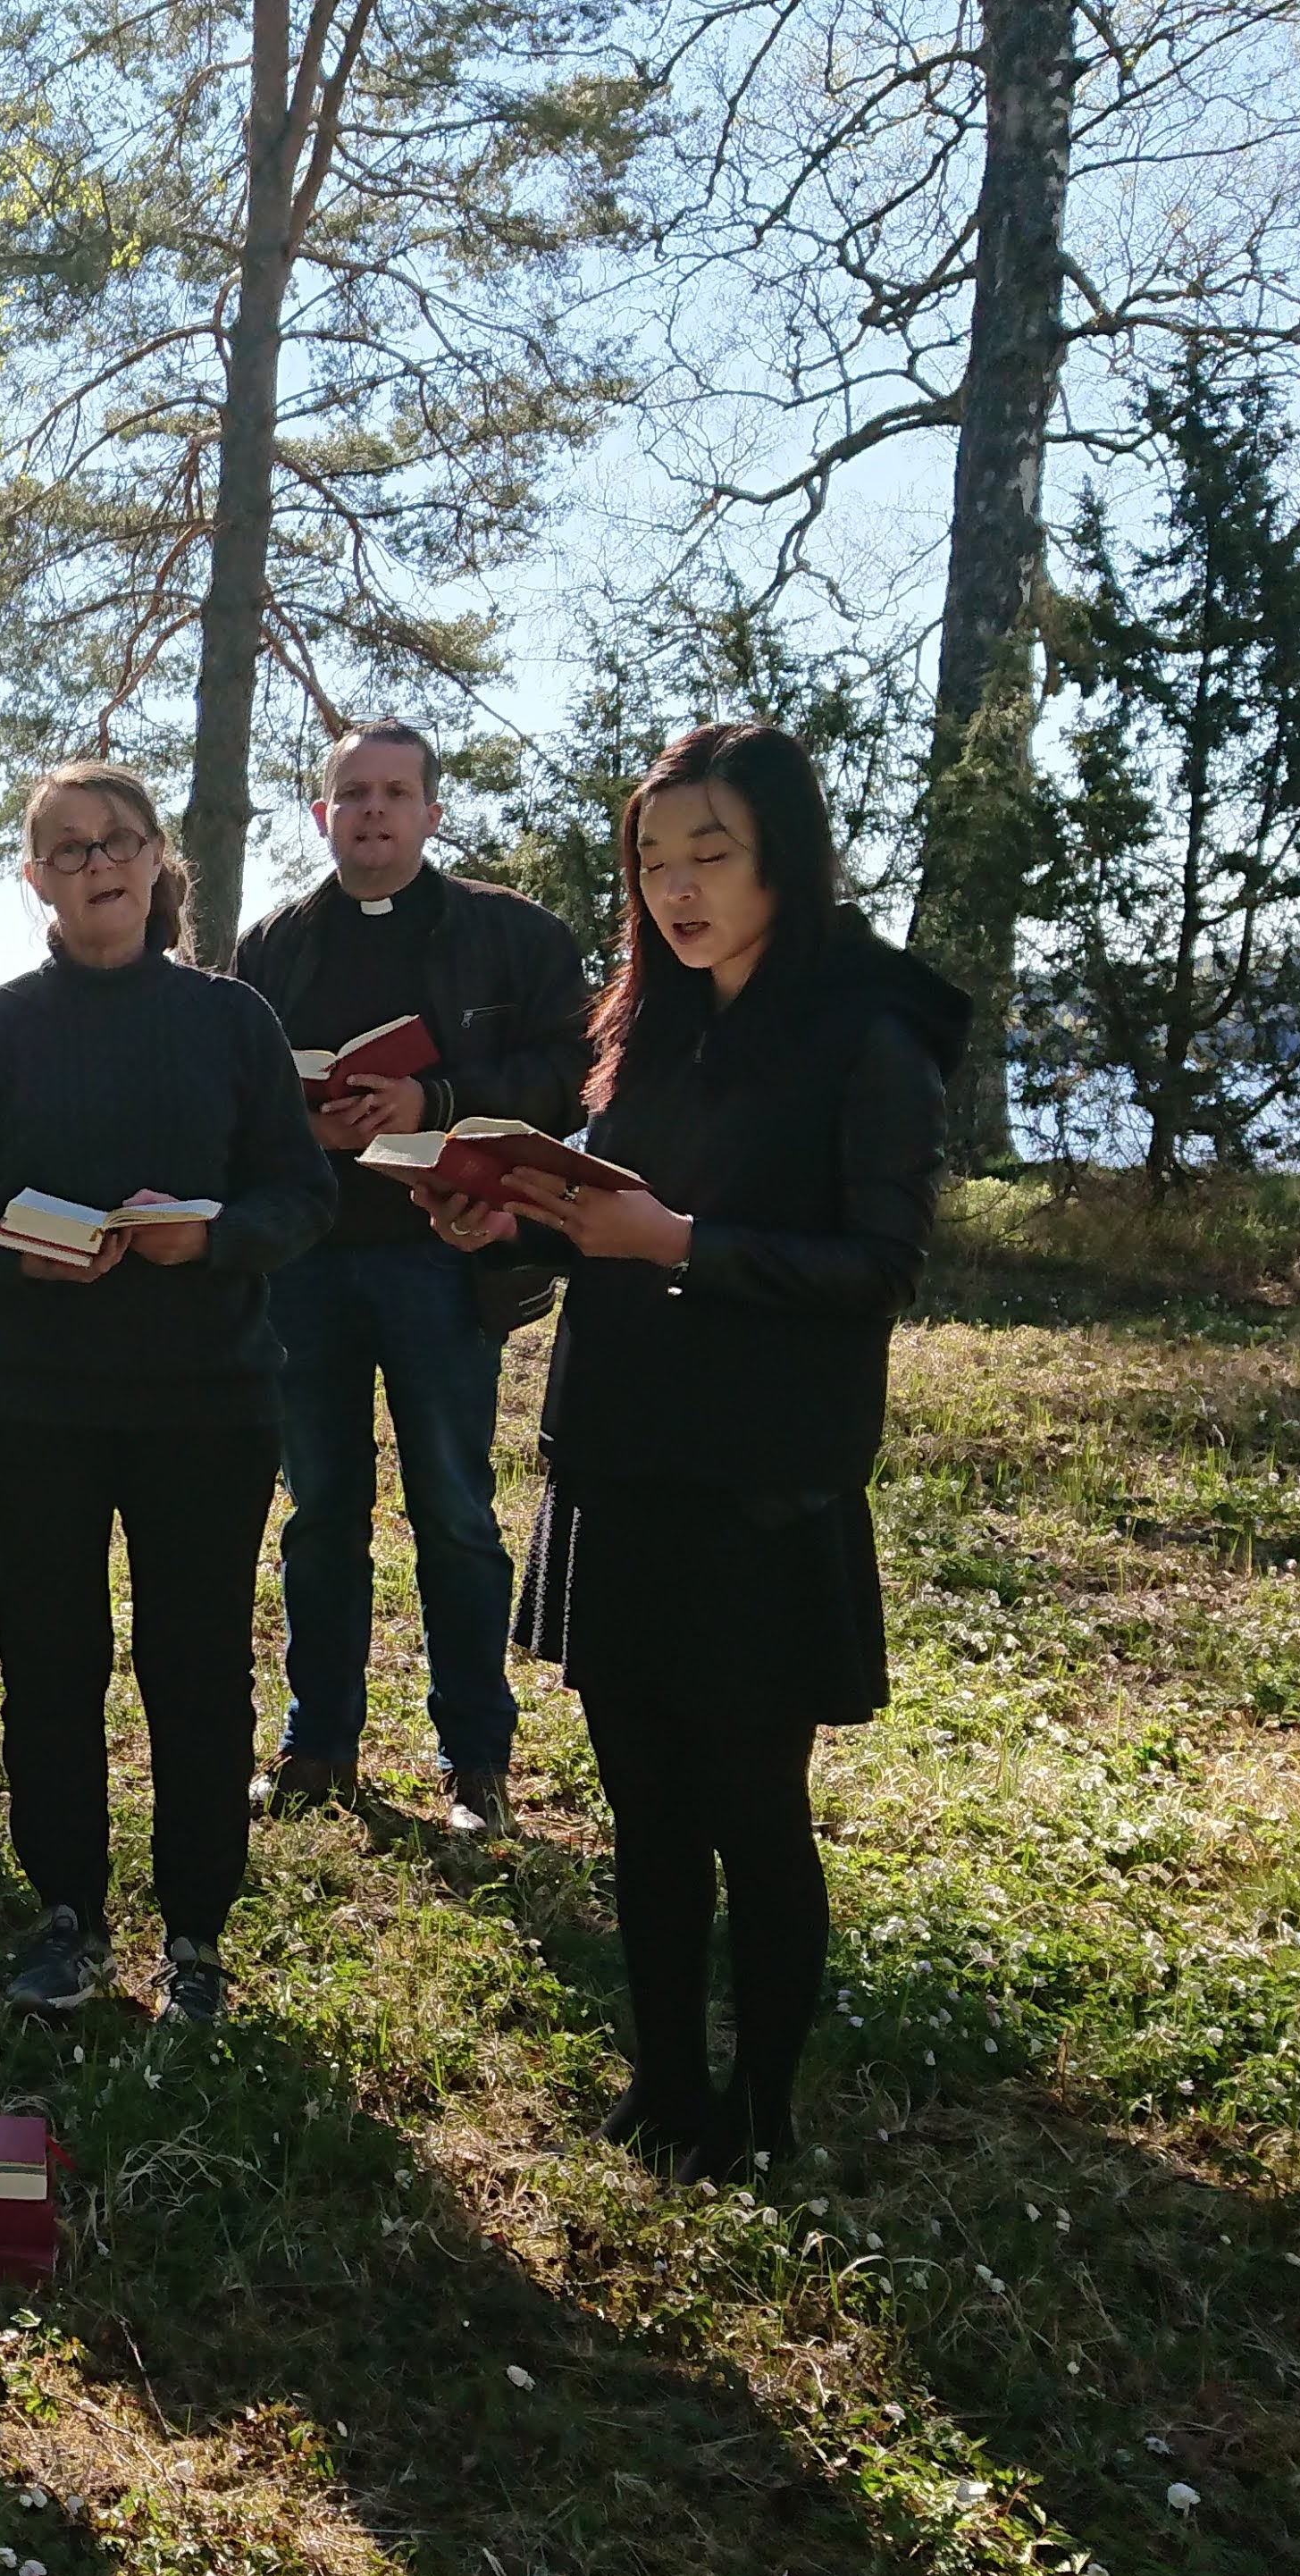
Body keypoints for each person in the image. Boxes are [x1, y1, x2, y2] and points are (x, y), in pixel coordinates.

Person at [411, 722, 965, 2177]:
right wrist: (503, 1222)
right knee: (643, 1811)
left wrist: (679, 1244)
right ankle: (661, 2087)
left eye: (708, 854)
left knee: (750, 1812)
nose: (675, 889)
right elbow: (600, 1218)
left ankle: (761, 2112)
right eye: (651, 862)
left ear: (785, 857)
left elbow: (877, 1268)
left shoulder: (869, 1029)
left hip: (758, 1480)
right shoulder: (643, 1028)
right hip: (617, 1458)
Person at [0, 763, 337, 2023]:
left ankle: (194, 1932)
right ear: (33, 878)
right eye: (68, 849)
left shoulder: (230, 1022)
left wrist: (213, 1237)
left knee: (195, 1666)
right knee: (51, 1662)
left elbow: (301, 1194)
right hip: (28, 1402)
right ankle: (66, 1917)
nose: (95, 865)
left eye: (116, 842)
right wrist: (17, 1256)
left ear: (156, 860)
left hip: (205, 1398)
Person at [229, 720, 590, 1835]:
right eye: (351, 794)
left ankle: (474, 1761)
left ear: (432, 813)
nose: (372, 811)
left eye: (394, 793)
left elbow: (571, 1072)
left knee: (454, 1511)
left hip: (443, 1258)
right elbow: (235, 1093)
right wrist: (304, 1126)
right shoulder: (272, 945)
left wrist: (431, 1103)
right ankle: (316, 1748)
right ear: (320, 815)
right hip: (307, 1264)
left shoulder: (510, 935)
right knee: (318, 1513)